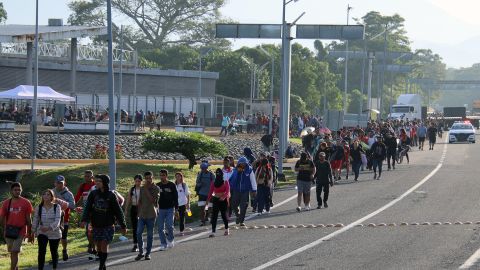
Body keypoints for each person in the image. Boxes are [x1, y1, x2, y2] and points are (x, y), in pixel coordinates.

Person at [81, 174, 127, 270]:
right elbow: (87, 208)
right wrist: (84, 219)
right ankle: (103, 264)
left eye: (99, 181)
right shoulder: (93, 194)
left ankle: (101, 266)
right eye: (96, 181)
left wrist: (123, 224)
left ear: (105, 183)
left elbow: (118, 211)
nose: (97, 183)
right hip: (96, 224)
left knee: (104, 244)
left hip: (108, 224)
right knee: (98, 245)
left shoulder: (111, 195)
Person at [0, 183, 34, 270]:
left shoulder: (26, 202)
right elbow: (2, 217)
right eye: (15, 190)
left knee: (15, 251)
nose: (17, 191)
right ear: (11, 191)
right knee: (12, 252)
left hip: (21, 231)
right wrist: (4, 230)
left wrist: (30, 233)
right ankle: (16, 268)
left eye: (19, 190)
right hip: (9, 231)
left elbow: (29, 219)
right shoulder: (6, 203)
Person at [32, 189, 62, 270]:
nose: (46, 196)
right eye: (44, 194)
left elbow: (57, 220)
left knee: (54, 251)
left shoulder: (57, 207)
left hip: (54, 233)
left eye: (48, 194)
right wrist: (33, 232)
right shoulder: (39, 207)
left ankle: (54, 267)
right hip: (42, 232)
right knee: (41, 251)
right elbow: (35, 220)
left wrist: (48, 228)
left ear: (52, 197)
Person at [135, 172, 160, 261]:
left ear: (153, 178)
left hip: (151, 214)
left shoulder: (156, 188)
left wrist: (146, 189)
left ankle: (148, 253)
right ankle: (141, 252)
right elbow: (140, 201)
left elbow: (153, 200)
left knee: (150, 235)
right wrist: (138, 212)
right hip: (142, 214)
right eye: (147, 178)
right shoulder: (141, 188)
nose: (148, 180)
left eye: (150, 178)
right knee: (138, 233)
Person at [75, 170, 97, 260]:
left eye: (89, 176)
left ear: (92, 177)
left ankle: (92, 248)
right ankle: (91, 246)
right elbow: (77, 197)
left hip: (95, 211)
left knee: (92, 231)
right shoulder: (83, 186)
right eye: (86, 176)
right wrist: (74, 205)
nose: (87, 178)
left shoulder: (95, 185)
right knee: (87, 231)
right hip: (86, 211)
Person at [229, 157, 257, 226]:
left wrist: (254, 190)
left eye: (244, 163)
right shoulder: (235, 170)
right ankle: (238, 215)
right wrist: (238, 172)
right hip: (236, 190)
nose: (243, 165)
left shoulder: (249, 170)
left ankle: (241, 221)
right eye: (241, 163)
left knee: (244, 206)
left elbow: (253, 180)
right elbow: (232, 180)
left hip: (245, 191)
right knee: (234, 204)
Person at [52, 175, 75, 261]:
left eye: (61, 183)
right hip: (52, 219)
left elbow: (72, 205)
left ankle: (64, 250)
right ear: (54, 183)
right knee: (54, 238)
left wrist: (61, 202)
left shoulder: (68, 194)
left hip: (64, 219)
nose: (59, 185)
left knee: (63, 237)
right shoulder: (51, 192)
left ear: (64, 183)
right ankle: (55, 255)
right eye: (57, 183)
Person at [157, 169, 178, 251]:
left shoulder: (172, 185)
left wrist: (176, 210)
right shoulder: (157, 185)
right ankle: (163, 244)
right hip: (160, 209)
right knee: (160, 228)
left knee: (169, 225)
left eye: (163, 175)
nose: (162, 177)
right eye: (160, 175)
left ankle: (171, 239)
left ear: (166, 176)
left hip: (170, 208)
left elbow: (176, 198)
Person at [207, 168, 231, 237]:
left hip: (223, 200)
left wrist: (223, 197)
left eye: (219, 173)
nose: (218, 174)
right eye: (216, 173)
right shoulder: (213, 182)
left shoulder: (225, 181)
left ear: (222, 174)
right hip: (216, 200)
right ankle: (213, 231)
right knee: (214, 216)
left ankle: (227, 229)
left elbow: (227, 191)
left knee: (223, 215)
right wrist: (207, 200)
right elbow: (210, 192)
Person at [125, 175, 142, 253]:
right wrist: (126, 210)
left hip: (142, 209)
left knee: (140, 228)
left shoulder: (143, 189)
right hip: (134, 209)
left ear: (141, 181)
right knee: (135, 228)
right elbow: (128, 199)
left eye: (139, 181)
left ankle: (140, 243)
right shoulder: (132, 189)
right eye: (136, 181)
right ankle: (135, 244)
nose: (137, 182)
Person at [174, 172, 190, 236]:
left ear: (181, 177)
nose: (177, 177)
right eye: (176, 176)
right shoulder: (173, 185)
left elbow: (187, 194)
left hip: (183, 203)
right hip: (175, 204)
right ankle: (171, 230)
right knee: (173, 217)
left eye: (179, 176)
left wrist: (188, 203)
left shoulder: (184, 185)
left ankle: (181, 231)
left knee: (182, 218)